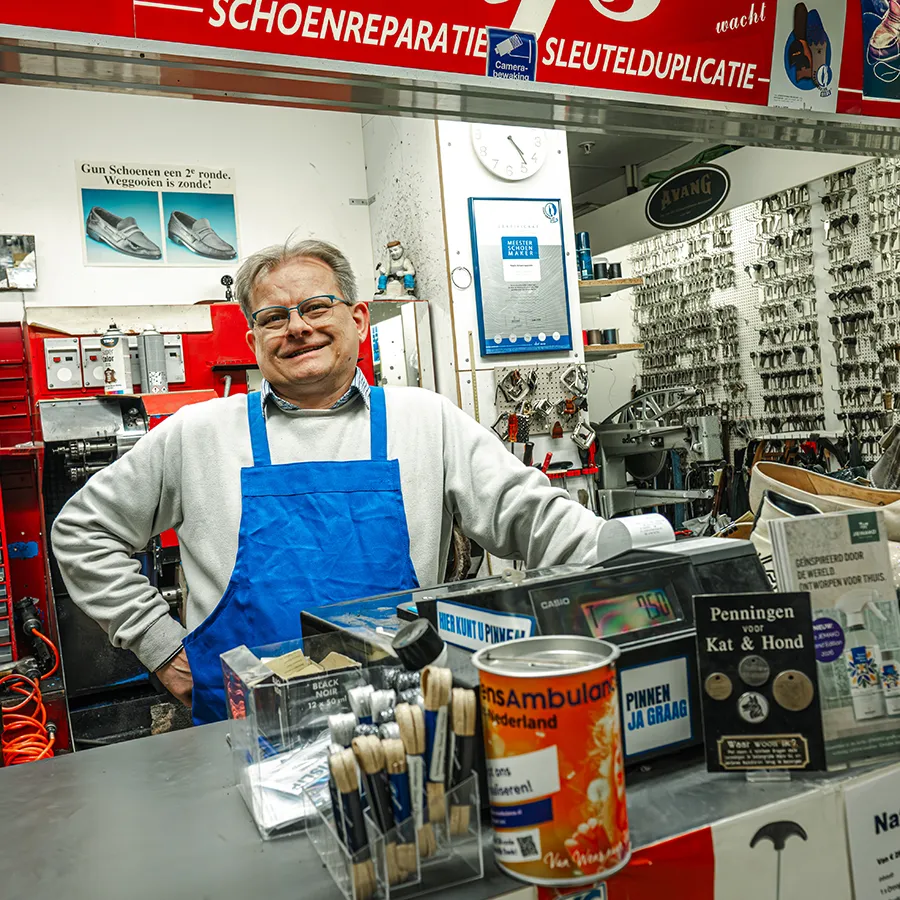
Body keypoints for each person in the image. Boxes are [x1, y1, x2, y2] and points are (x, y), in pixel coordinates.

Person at [52, 239, 604, 725]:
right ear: (253, 341)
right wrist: (161, 645)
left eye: (317, 307)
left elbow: (526, 512)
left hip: (403, 712)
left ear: (359, 320)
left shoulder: (425, 420)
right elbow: (82, 530)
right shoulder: (198, 434)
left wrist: (620, 556)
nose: (297, 327)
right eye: (274, 317)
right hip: (244, 721)